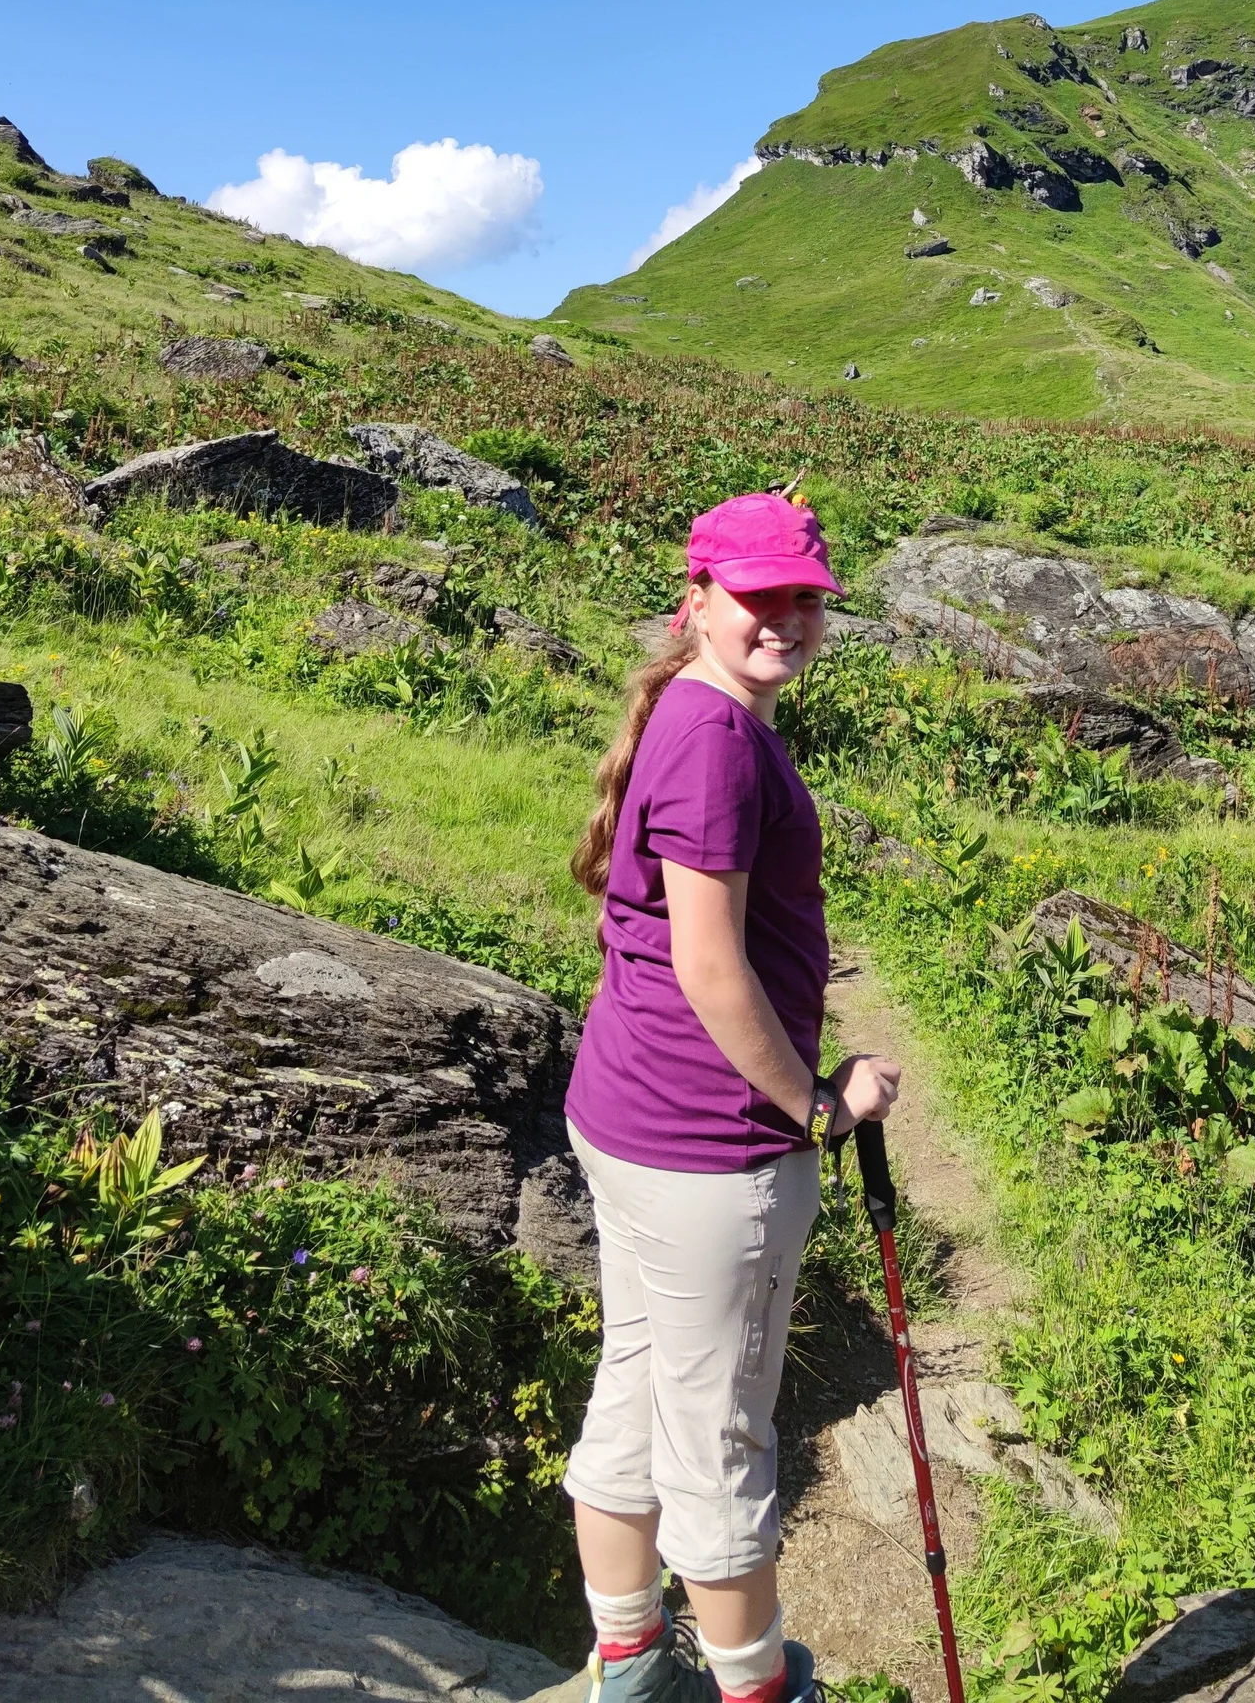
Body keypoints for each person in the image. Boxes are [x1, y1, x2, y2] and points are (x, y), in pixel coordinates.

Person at [535, 489, 901, 1703]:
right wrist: (815, 1106)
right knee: (722, 1447)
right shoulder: (716, 740)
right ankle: (758, 1689)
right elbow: (707, 961)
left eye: (807, 598)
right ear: (698, 602)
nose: (788, 620)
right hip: (711, 1154)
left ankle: (631, 1665)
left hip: (632, 1118)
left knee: (637, 1393)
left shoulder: (700, 714)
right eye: (761, 596)